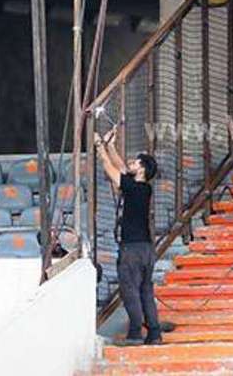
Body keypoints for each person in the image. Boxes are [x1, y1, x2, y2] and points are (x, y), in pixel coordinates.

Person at [94, 127, 174, 345]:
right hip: (146, 249)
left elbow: (111, 170)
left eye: (136, 163)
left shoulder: (133, 187)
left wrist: (100, 147)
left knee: (130, 291)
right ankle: (154, 333)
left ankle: (135, 333)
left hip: (132, 250)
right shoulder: (142, 188)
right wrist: (110, 145)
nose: (131, 163)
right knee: (146, 291)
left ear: (142, 169)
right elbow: (121, 168)